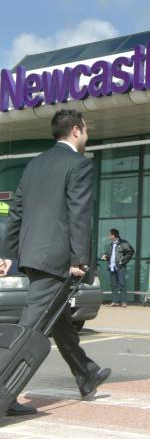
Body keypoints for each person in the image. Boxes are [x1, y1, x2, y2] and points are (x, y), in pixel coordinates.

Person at [0, 109, 111, 416]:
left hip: (34, 255)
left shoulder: (35, 164)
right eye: (86, 129)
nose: (87, 135)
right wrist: (79, 259)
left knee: (60, 321)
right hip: (57, 260)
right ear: (76, 130)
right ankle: (4, 395)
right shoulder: (78, 164)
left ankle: (86, 373)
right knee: (30, 328)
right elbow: (79, 215)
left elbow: (16, 211)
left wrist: (8, 255)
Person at [100, 229, 134, 307]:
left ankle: (124, 302)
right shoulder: (111, 245)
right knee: (113, 285)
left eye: (109, 234)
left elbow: (131, 251)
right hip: (112, 267)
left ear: (113, 235)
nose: (108, 236)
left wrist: (123, 261)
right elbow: (109, 254)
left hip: (120, 266)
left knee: (122, 284)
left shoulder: (123, 243)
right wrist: (105, 256)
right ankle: (114, 301)